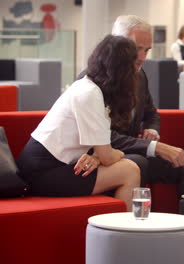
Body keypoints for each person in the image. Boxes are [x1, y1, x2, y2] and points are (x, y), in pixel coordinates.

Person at [80, 15, 184, 197]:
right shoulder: (92, 80)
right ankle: (136, 224)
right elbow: (102, 137)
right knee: (137, 163)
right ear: (118, 44)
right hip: (102, 157)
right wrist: (153, 147)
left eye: (147, 50)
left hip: (134, 150)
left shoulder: (140, 76)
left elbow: (151, 113)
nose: (142, 57)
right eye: (136, 49)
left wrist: (151, 129)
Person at [16, 35, 142, 211]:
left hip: (49, 166)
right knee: (129, 170)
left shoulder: (89, 87)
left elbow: (99, 152)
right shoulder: (90, 94)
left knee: (127, 167)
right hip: (41, 173)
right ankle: (125, 234)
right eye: (135, 65)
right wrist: (114, 154)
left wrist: (97, 157)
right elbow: (107, 156)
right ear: (123, 70)